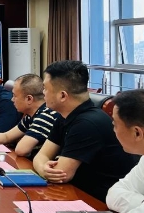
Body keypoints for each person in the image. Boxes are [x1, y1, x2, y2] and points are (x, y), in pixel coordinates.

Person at [33, 60, 137, 202]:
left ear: (62, 96)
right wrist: (43, 168)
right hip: (77, 193)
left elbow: (61, 175)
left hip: (100, 203)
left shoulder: (87, 124)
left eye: (45, 88)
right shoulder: (64, 116)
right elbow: (42, 155)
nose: (43, 93)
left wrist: (43, 168)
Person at [0, 74, 60, 158]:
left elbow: (21, 150)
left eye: (15, 96)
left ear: (29, 99)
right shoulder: (30, 116)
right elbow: (6, 136)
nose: (12, 99)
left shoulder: (45, 115)